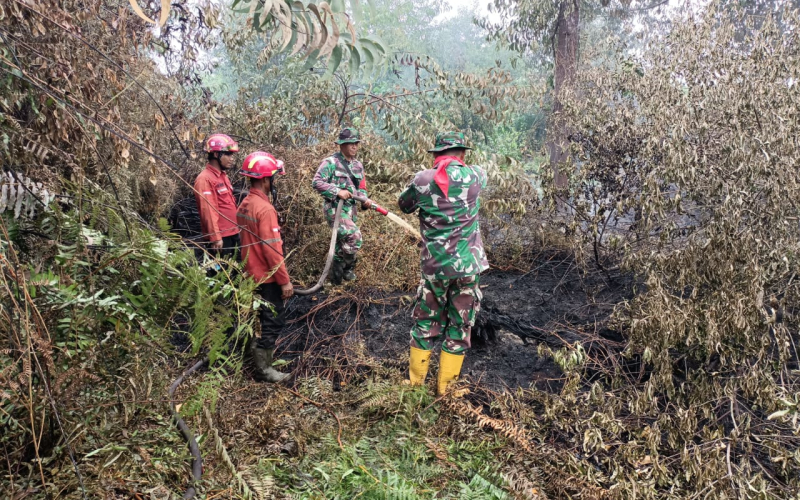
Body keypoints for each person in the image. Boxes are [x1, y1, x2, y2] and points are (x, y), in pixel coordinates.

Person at [397, 131, 488, 395]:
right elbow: (473, 174)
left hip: (436, 266)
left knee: (426, 321)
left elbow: (404, 205)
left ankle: (415, 385)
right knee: (460, 324)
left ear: (436, 155)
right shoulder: (477, 176)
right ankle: (446, 390)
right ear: (462, 154)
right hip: (468, 266)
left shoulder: (423, 180)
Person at [236, 151, 293, 383]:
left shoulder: (246, 203)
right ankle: (265, 369)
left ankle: (251, 358)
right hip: (266, 277)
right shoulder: (265, 209)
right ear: (266, 179)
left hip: (249, 273)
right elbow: (272, 250)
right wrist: (285, 281)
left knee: (253, 318)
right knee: (272, 320)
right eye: (274, 178)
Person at [312, 127, 372, 285]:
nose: (354, 146)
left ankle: (336, 282)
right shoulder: (330, 163)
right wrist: (337, 191)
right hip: (335, 210)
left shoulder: (358, 166)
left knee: (342, 245)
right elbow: (317, 182)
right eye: (350, 143)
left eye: (356, 143)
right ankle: (348, 269)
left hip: (351, 211)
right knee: (354, 236)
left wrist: (365, 200)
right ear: (342, 145)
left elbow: (362, 188)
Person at [194, 133, 241, 259]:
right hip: (221, 239)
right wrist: (216, 238)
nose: (232, 158)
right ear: (216, 154)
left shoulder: (222, 176)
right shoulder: (205, 179)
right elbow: (208, 211)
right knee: (223, 275)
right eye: (228, 154)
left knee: (236, 272)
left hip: (232, 233)